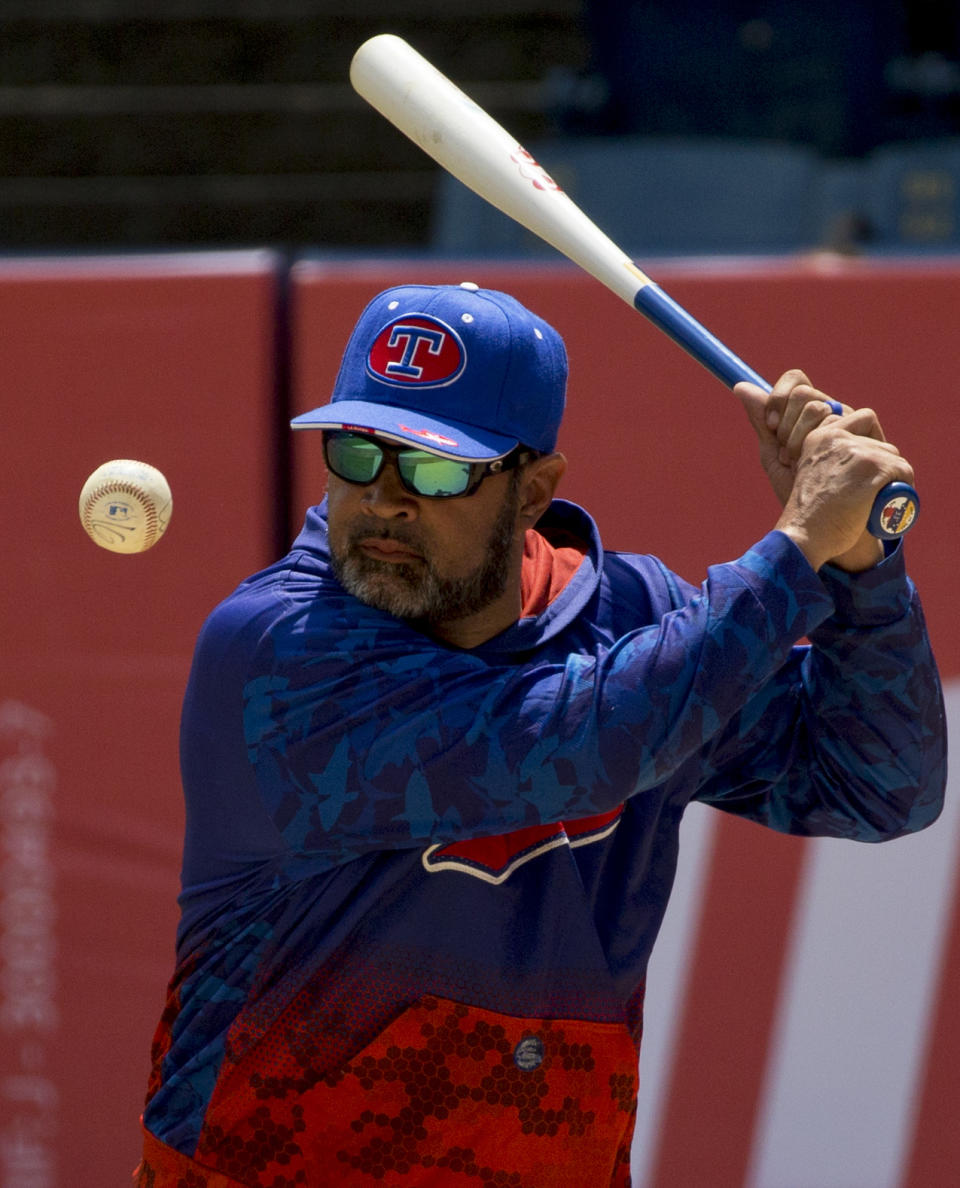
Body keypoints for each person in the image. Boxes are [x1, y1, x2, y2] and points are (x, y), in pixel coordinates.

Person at [137, 282, 946, 1187]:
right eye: (357, 452)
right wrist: (798, 545)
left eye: (437, 468)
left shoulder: (640, 622)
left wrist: (864, 569)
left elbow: (881, 786)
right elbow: (579, 744)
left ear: (535, 490)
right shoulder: (277, 652)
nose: (387, 500)